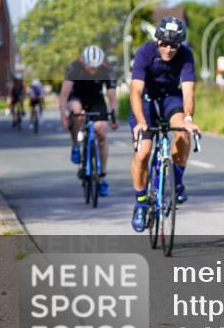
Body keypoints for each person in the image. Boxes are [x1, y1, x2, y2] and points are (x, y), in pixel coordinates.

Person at [128, 16, 201, 233]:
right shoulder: (144, 52)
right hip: (146, 101)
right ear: (157, 40)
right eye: (164, 44)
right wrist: (141, 122)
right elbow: (135, 91)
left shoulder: (186, 55)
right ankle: (141, 203)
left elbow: (188, 91)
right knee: (143, 152)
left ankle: (176, 181)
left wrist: (188, 118)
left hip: (170, 98)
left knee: (182, 133)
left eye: (174, 45)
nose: (168, 49)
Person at [59, 46, 118, 195]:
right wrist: (63, 116)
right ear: (83, 62)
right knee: (77, 112)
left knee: (102, 134)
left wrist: (114, 116)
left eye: (95, 68)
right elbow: (64, 95)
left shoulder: (107, 70)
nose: (92, 71)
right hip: (77, 96)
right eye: (90, 68)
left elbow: (112, 97)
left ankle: (102, 177)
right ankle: (75, 145)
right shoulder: (74, 68)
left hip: (96, 98)